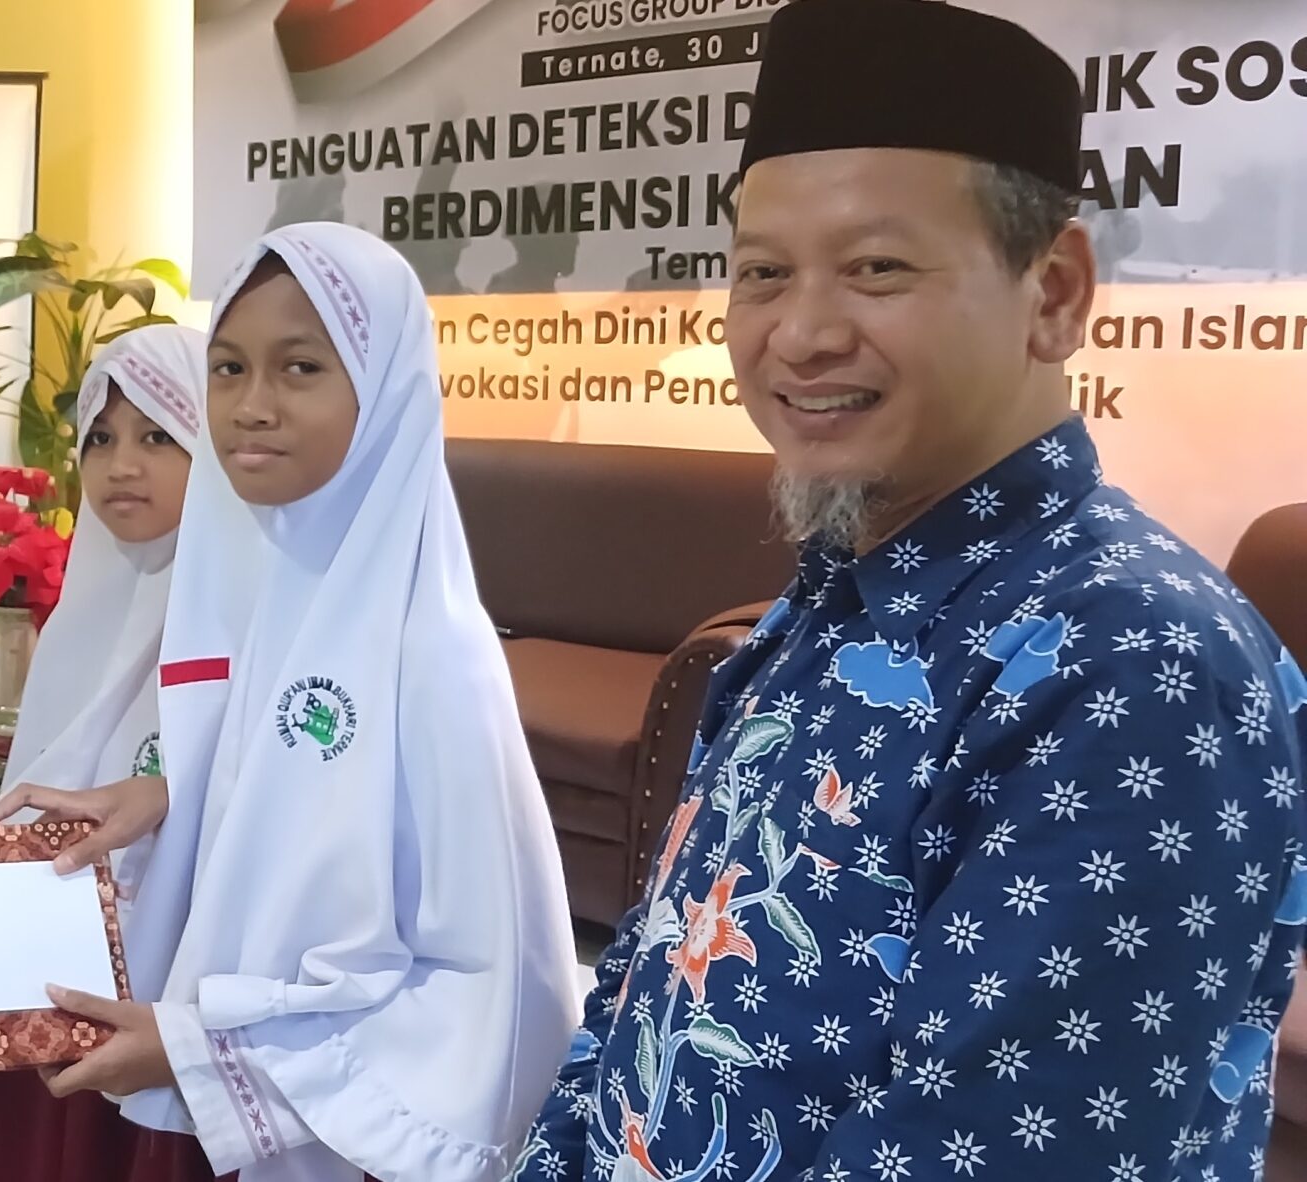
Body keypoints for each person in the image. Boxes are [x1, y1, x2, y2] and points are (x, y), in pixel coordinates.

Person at [503, 3, 1307, 1180]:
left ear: (1054, 292)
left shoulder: (1133, 664)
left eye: (876, 268)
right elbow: (649, 977)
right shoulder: (828, 600)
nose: (799, 334)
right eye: (761, 273)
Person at [0, 222, 581, 1180]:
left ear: (383, 391)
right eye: (227, 369)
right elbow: (302, 806)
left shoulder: (432, 650)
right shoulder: (270, 600)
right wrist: (170, 795)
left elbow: (486, 992)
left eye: (299, 368)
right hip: (219, 1102)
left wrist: (204, 1055)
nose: (251, 407)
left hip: (325, 1139)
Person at [0, 323, 211, 1182]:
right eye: (101, 440)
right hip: (52, 970)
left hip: (168, 997)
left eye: (158, 437)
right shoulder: (84, 610)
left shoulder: (242, 614)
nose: (122, 465)